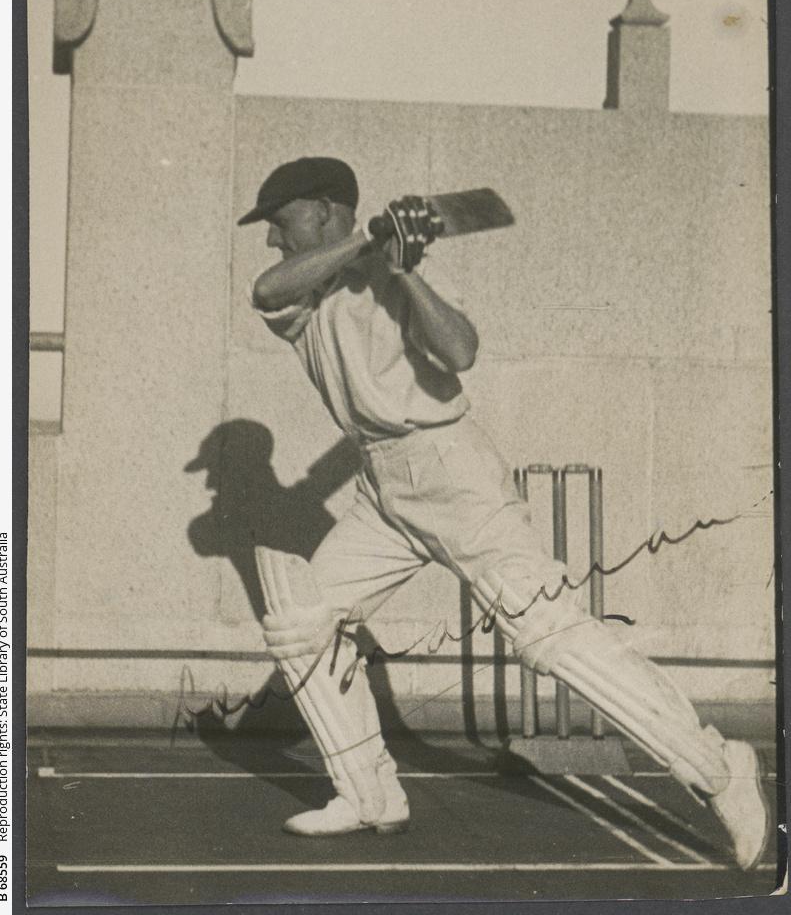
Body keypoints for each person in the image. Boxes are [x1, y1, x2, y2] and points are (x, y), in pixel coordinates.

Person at [238, 156, 768, 868]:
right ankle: (368, 795)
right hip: (381, 485)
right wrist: (370, 238)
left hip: (450, 467)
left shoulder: (397, 273)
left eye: (280, 221)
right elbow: (265, 287)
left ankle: (716, 767)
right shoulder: (302, 299)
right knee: (302, 620)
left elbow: (459, 351)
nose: (272, 238)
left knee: (544, 630)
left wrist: (404, 269)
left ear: (323, 208)